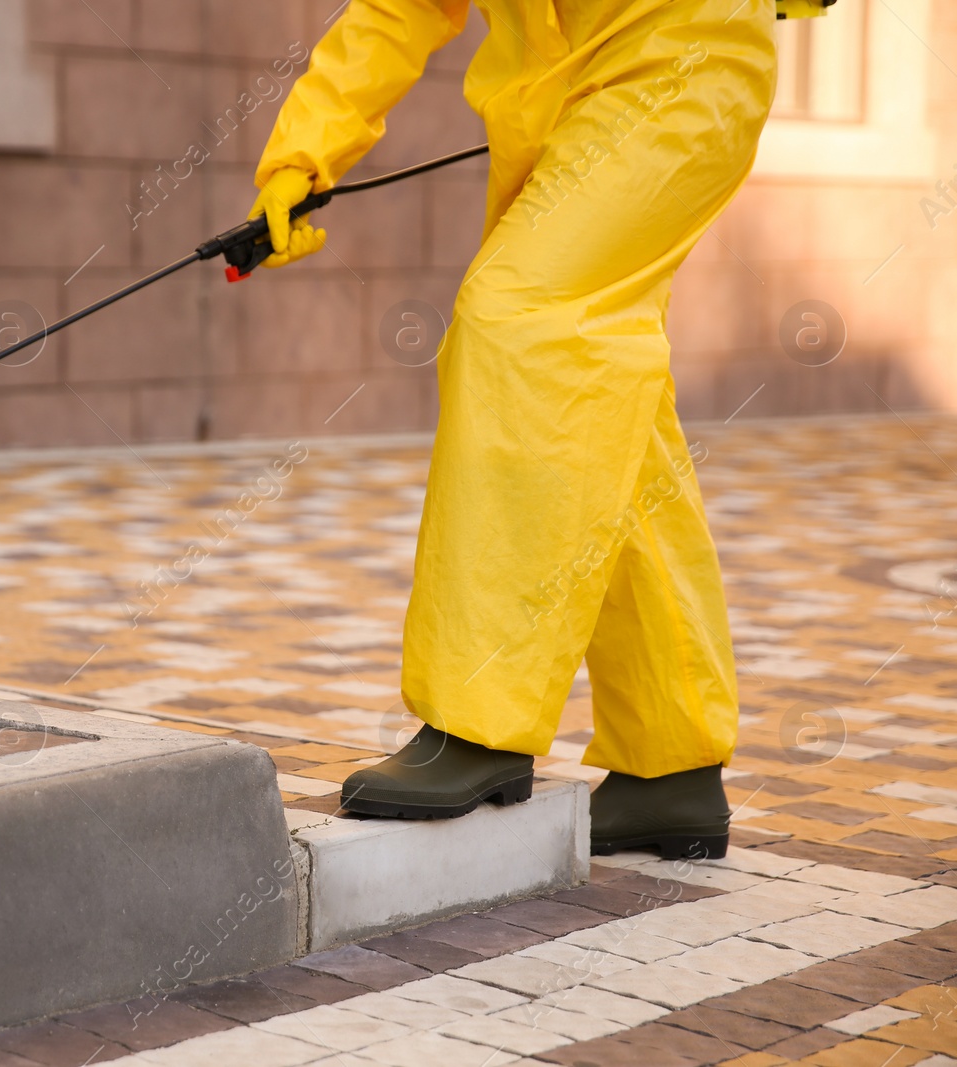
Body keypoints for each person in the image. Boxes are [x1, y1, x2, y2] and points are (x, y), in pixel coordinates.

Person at [249, 0, 815, 858]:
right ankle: (672, 765)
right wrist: (305, 151)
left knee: (519, 323)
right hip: (554, 95)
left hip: (686, 58)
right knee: (595, 390)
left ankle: (479, 720)